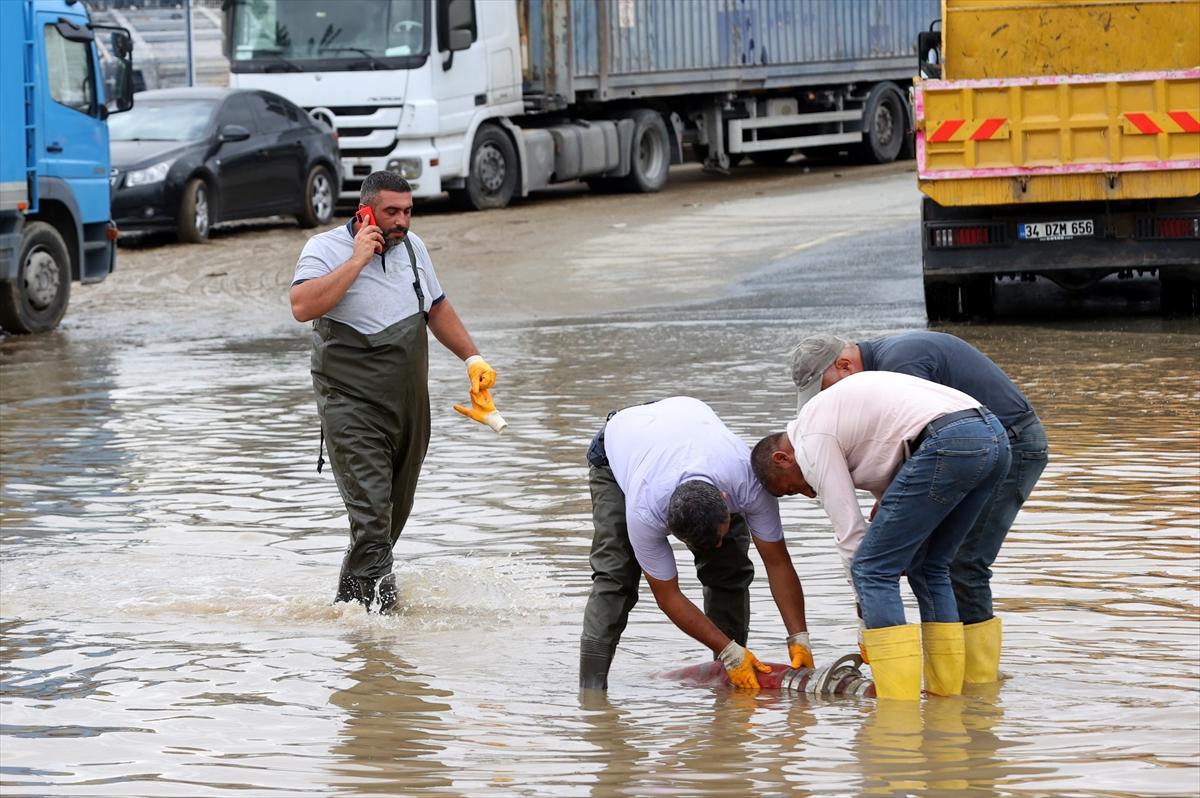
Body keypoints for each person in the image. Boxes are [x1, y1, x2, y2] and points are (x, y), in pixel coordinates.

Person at [290, 171, 499, 612]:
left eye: (408, 211)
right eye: (391, 212)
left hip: (408, 407)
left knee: (387, 523)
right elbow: (302, 306)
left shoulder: (414, 248)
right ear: (364, 210)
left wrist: (472, 359)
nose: (402, 222)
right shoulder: (324, 249)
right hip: (350, 405)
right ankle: (384, 623)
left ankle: (349, 617)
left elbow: (436, 306)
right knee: (372, 523)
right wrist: (357, 260)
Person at [788, 331, 1048, 684]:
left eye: (825, 388)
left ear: (845, 365)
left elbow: (928, 432)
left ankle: (959, 684)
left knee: (956, 563)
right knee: (933, 563)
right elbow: (911, 437)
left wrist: (867, 611)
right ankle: (959, 689)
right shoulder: (884, 362)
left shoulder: (901, 362)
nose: (825, 399)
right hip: (986, 437)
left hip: (1011, 440)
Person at [751, 371, 1010, 700]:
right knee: (930, 567)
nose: (806, 494)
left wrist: (866, 626)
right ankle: (953, 695)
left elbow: (851, 536)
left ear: (782, 458)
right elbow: (891, 465)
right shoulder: (831, 419)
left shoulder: (810, 439)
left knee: (871, 570)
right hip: (993, 438)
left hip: (949, 442)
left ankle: (896, 708)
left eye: (791, 488)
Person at [580, 397, 811, 690]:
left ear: (727, 504)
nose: (714, 546)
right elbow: (668, 597)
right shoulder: (645, 511)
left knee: (728, 567)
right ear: (668, 524)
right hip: (618, 449)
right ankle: (590, 693)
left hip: (681, 425)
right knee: (616, 577)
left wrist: (798, 637)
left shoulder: (747, 482)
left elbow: (777, 562)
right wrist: (730, 651)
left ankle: (730, 681)